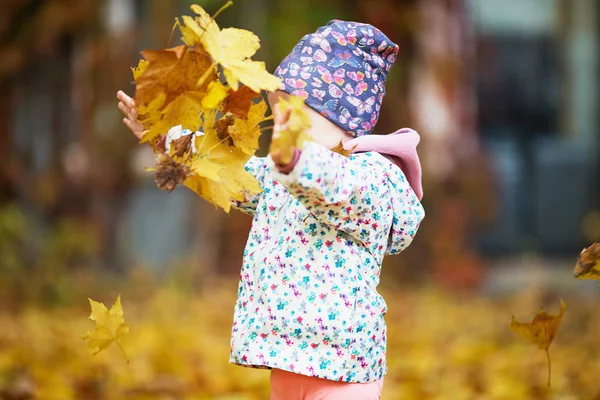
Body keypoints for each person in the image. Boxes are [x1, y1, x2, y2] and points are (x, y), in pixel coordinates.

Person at [118, 19, 424, 400]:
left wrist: (300, 162)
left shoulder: (371, 178)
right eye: (278, 111)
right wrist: (166, 139)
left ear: (344, 120)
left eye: (296, 114)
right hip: (286, 359)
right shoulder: (279, 176)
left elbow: (338, 189)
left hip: (344, 368)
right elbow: (230, 175)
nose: (282, 123)